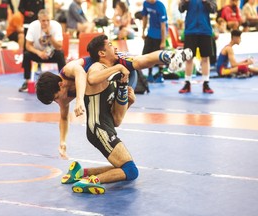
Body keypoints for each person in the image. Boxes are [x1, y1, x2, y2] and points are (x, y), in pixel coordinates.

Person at [36, 35, 192, 191]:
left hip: (107, 84)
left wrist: (126, 97)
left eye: (57, 97)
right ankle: (92, 180)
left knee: (137, 62)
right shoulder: (93, 71)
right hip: (99, 118)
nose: (60, 102)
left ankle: (169, 56)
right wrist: (62, 141)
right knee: (129, 170)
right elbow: (65, 115)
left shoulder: (70, 69)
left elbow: (115, 119)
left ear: (61, 84)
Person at [18, 9, 66, 92]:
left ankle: (64, 81)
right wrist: (39, 53)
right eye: (43, 21)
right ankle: (27, 81)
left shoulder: (56, 26)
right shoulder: (33, 26)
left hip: (52, 53)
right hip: (38, 53)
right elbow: (28, 45)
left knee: (60, 54)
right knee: (26, 54)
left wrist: (49, 35)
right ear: (39, 20)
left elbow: (59, 46)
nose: (46, 23)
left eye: (48, 20)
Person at [178, 0, 217, 94]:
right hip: (190, 30)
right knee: (188, 58)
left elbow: (214, 9)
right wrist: (185, 2)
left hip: (205, 30)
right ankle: (187, 83)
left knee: (205, 58)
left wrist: (206, 2)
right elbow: (181, 9)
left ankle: (206, 83)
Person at [141, 0, 168, 83]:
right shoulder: (146, 3)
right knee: (148, 54)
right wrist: (143, 31)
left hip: (160, 34)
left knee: (159, 55)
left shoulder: (160, 7)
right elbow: (145, 17)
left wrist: (163, 41)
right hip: (151, 33)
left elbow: (163, 26)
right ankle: (149, 74)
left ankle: (160, 74)